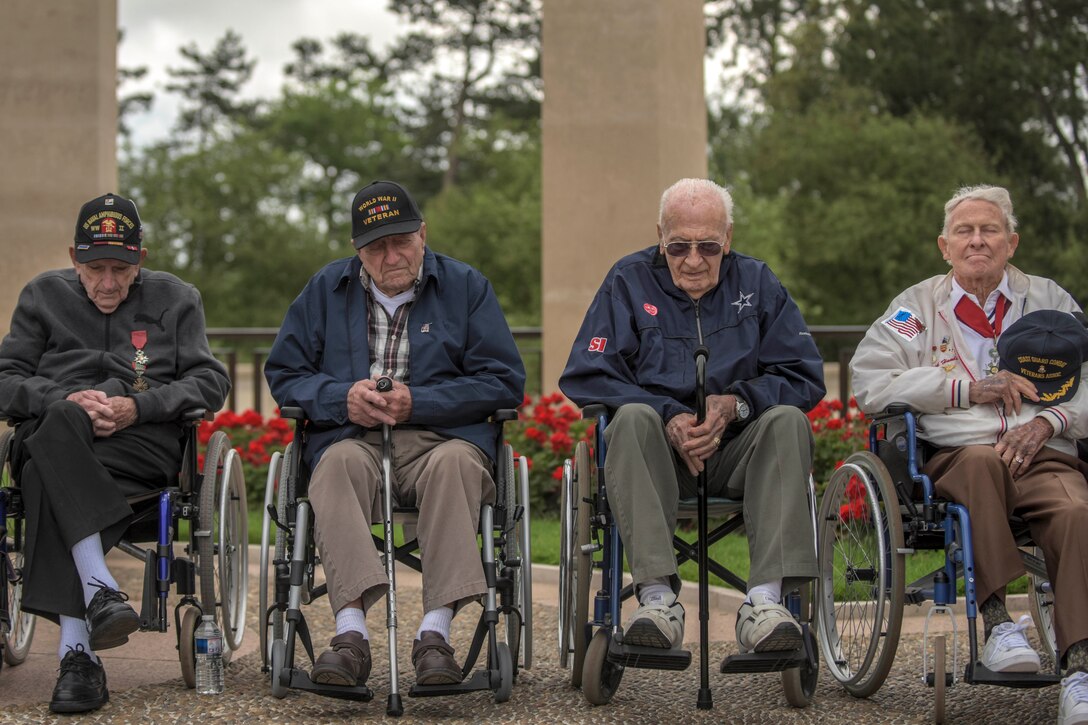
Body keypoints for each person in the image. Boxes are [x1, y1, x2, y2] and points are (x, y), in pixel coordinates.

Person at [264, 180, 525, 689]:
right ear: (358, 251)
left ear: (423, 234)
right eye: (376, 246)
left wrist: (418, 402)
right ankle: (351, 635)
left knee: (455, 466)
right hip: (354, 440)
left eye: (401, 240)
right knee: (333, 465)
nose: (391, 256)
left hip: (442, 441)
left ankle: (435, 636)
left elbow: (504, 381)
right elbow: (286, 374)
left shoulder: (467, 287)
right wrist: (342, 397)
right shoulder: (324, 290)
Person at [850, 184, 1088, 724]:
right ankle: (999, 620)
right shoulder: (916, 310)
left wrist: (1052, 419)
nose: (977, 241)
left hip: (1043, 450)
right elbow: (872, 380)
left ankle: (1079, 668)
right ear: (944, 246)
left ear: (1012, 242)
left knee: (1076, 510)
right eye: (964, 231)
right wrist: (962, 390)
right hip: (960, 453)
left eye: (989, 230)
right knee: (981, 464)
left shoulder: (1050, 301)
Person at [558, 178, 825, 659]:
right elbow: (586, 374)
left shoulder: (758, 283)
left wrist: (736, 404)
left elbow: (804, 375)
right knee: (633, 417)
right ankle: (658, 602)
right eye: (678, 246)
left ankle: (764, 603)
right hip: (655, 458)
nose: (694, 259)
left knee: (788, 419)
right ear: (660, 235)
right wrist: (667, 414)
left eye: (708, 246)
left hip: (739, 453)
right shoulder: (628, 281)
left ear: (729, 239)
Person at [0, 193, 230, 714]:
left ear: (140, 260)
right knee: (55, 429)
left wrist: (137, 406)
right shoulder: (42, 296)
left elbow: (210, 382)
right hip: (56, 437)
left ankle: (79, 653)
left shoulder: (176, 298)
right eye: (94, 267)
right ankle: (95, 603)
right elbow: (5, 380)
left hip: (139, 444)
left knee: (43, 471)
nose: (107, 282)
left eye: (120, 269)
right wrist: (61, 398)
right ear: (73, 258)